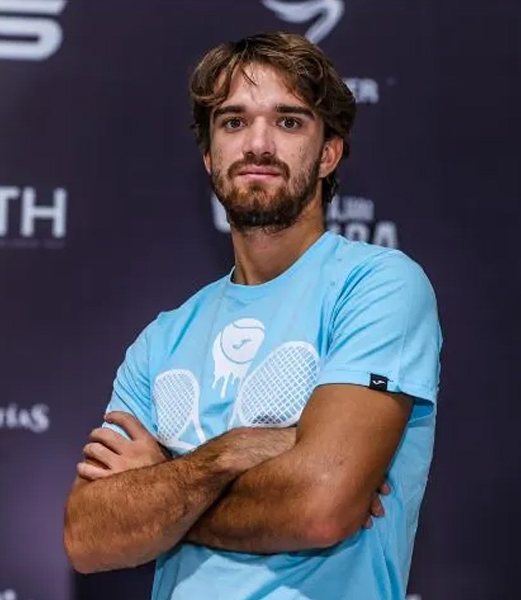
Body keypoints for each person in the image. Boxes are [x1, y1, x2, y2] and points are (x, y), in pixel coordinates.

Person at [63, 31, 442, 600]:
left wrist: (160, 496)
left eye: (288, 122)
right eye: (234, 122)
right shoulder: (162, 338)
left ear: (328, 153)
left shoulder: (377, 285)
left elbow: (320, 505)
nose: (258, 144)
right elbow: (89, 536)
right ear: (210, 154)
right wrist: (232, 451)